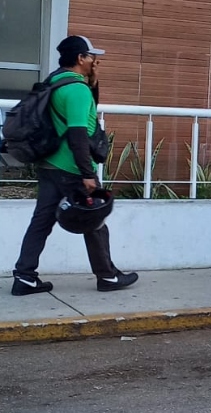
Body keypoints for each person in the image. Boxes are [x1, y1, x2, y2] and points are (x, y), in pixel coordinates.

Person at [12, 35, 138, 296]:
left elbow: (79, 114)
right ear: (80, 58)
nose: (95, 60)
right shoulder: (77, 90)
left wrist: (92, 83)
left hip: (48, 165)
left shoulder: (55, 82)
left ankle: (24, 277)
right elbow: (79, 133)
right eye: (91, 56)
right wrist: (88, 173)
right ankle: (108, 276)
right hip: (72, 168)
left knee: (41, 222)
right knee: (95, 221)